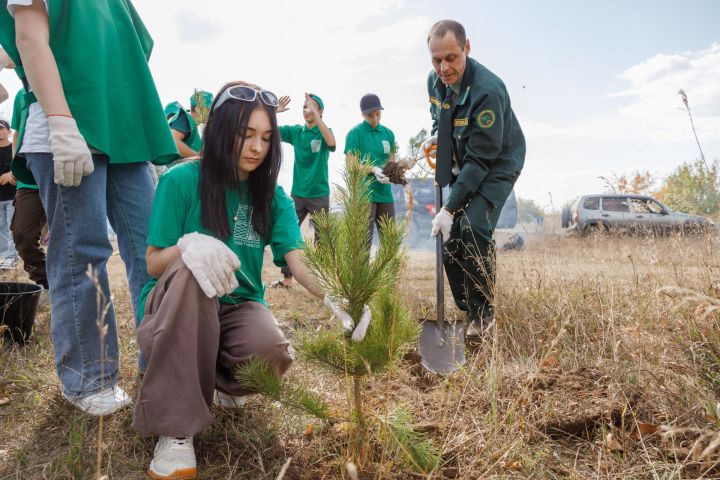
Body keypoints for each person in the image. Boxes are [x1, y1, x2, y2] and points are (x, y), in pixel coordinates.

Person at [132, 81, 368, 479]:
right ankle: (173, 429)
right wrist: (190, 246)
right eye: (246, 135)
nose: (257, 147)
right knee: (193, 272)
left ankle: (218, 383)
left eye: (266, 137)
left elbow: (296, 257)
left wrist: (336, 295)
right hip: (176, 309)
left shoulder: (270, 196)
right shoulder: (181, 180)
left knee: (271, 352)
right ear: (223, 130)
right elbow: (154, 263)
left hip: (236, 306)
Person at [0, 0, 177, 415]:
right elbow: (27, 36)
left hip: (124, 127)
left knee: (152, 250)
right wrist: (61, 120)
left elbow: (130, 49)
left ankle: (164, 360)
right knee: (83, 250)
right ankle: (88, 376)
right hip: (69, 128)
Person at [423, 20, 525, 336]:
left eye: (451, 58)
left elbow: (480, 161)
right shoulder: (434, 81)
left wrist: (449, 209)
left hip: (497, 163)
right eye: (436, 60)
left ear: (467, 48)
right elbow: (440, 118)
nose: (443, 67)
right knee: (450, 239)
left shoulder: (488, 91)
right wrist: (437, 137)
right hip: (466, 158)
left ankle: (484, 317)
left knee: (472, 226)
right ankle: (469, 309)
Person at [272, 92, 335, 288]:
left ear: (321, 111)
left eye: (312, 107)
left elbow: (332, 143)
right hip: (298, 194)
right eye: (304, 107)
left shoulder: (324, 132)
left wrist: (317, 116)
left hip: (319, 194)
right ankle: (287, 278)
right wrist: (274, 111)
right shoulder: (297, 132)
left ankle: (323, 282)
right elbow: (270, 131)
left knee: (322, 240)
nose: (307, 110)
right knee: (288, 233)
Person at [344, 93, 397, 247]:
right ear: (363, 114)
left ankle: (389, 272)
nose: (375, 118)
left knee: (390, 243)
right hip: (364, 195)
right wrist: (373, 169)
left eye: (378, 114)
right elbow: (351, 165)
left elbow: (391, 162)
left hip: (385, 195)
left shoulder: (388, 134)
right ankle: (363, 272)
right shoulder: (355, 134)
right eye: (370, 115)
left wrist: (390, 175)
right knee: (363, 244)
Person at [9, 89, 48, 292]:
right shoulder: (21, 94)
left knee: (66, 238)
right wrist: (15, 164)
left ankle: (72, 287)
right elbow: (17, 132)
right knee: (22, 235)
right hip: (29, 181)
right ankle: (48, 283)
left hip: (64, 175)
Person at [0, 118, 18, 269]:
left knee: (13, 227)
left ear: (8, 131)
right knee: (0, 227)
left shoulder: (14, 149)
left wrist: (12, 174)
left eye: (1, 128)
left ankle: (12, 257)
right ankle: (3, 256)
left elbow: (22, 167)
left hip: (13, 196)